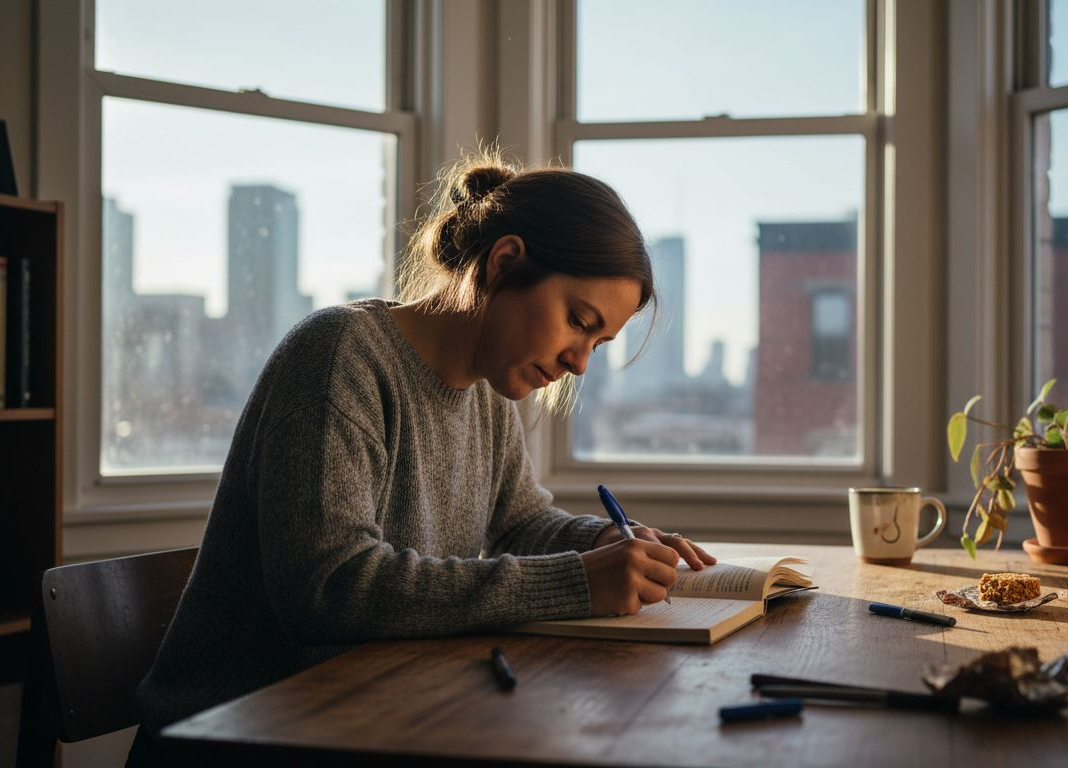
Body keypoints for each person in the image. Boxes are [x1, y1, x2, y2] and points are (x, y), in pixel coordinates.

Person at [127, 152, 716, 765]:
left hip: (372, 718)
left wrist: (601, 541)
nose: (579, 363)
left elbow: (518, 523)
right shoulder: (340, 357)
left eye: (598, 343)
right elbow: (328, 587)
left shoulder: (486, 394)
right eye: (578, 321)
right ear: (505, 261)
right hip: (239, 734)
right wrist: (575, 582)